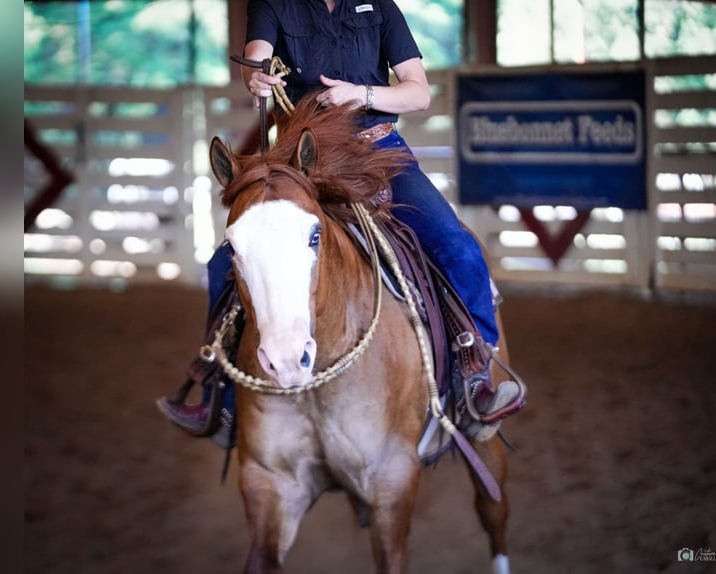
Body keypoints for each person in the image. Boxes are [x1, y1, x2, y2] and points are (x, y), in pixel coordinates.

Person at [157, 0, 525, 447]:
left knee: (455, 244)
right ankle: (223, 388)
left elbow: (417, 92)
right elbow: (256, 54)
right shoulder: (274, 4)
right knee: (225, 263)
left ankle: (474, 375)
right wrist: (253, 77)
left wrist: (363, 94)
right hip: (302, 161)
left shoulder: (382, 9)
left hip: (380, 153)